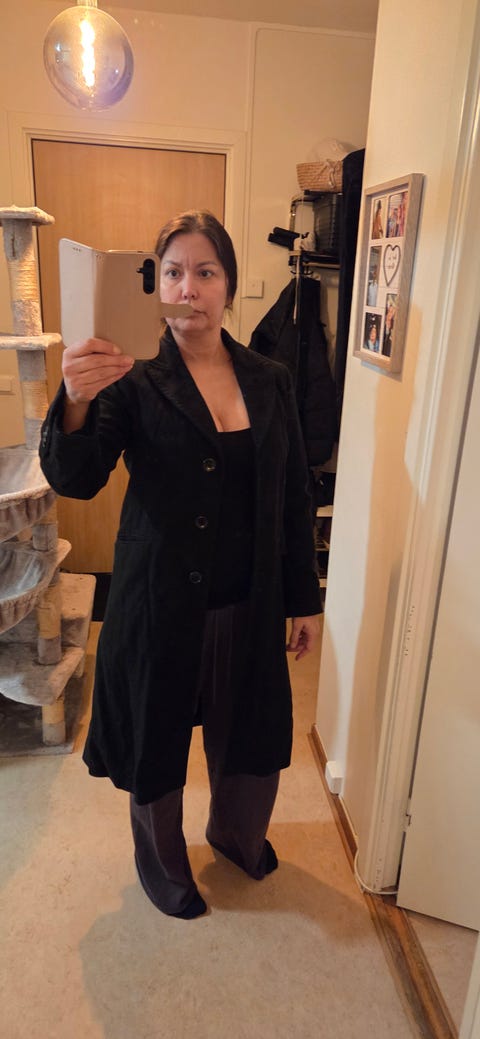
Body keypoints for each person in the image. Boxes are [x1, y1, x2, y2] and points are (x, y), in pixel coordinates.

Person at [39, 210, 321, 920]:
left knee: (251, 732)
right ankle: (163, 864)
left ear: (227, 284)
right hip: (161, 600)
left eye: (205, 271)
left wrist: (305, 599)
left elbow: (292, 495)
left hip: (249, 599)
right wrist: (75, 399)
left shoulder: (270, 378)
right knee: (157, 737)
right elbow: (77, 478)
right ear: (155, 286)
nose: (188, 288)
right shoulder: (131, 378)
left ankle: (236, 835)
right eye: (172, 273)